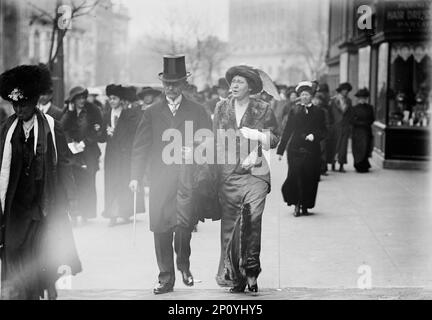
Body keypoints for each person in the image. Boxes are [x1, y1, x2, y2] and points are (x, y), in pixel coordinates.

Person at [129, 55, 212, 295]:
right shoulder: (151, 112)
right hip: (160, 179)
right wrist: (135, 176)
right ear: (162, 85)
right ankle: (166, 277)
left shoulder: (197, 110)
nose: (171, 88)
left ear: (184, 84)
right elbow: (140, 146)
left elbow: (209, 140)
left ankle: (183, 263)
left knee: (184, 226)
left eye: (176, 84)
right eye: (167, 84)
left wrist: (195, 150)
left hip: (189, 179)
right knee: (161, 227)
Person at [0, 64, 81, 299]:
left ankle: (39, 290)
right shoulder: (5, 131)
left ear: (34, 102)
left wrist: (70, 198)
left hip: (42, 205)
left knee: (40, 256)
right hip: (15, 208)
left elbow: (65, 164)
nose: (19, 109)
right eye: (15, 104)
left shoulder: (53, 128)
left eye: (23, 104)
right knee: (14, 255)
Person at [213, 65, 279, 293]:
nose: (234, 85)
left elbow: (274, 139)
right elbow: (216, 140)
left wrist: (258, 138)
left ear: (250, 86)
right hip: (229, 174)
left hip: (256, 173)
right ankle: (235, 277)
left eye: (240, 82)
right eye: (232, 81)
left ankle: (251, 272)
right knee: (231, 226)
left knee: (252, 219)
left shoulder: (263, 108)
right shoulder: (221, 108)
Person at [277, 81, 326, 217]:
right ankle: (297, 205)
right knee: (295, 176)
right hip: (295, 149)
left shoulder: (319, 112)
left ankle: (306, 205)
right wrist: (281, 150)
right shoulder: (294, 110)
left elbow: (324, 130)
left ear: (311, 96)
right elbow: (287, 130)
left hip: (312, 150)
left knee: (310, 178)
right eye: (302, 95)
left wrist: (315, 136)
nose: (304, 97)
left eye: (307, 95)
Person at [61, 86, 105, 225]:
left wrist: (85, 142)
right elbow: (62, 128)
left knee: (88, 181)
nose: (82, 100)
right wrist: (70, 112)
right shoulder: (68, 111)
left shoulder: (93, 110)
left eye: (83, 98)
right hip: (73, 153)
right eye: (78, 98)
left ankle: (87, 212)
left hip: (89, 152)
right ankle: (75, 212)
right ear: (73, 100)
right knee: (74, 182)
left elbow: (98, 130)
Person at [101, 84, 144, 226]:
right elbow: (100, 136)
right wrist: (104, 133)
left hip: (125, 154)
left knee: (124, 182)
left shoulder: (128, 115)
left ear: (120, 99)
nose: (111, 101)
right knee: (111, 182)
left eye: (114, 98)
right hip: (112, 155)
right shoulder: (106, 115)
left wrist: (117, 133)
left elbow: (133, 135)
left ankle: (125, 212)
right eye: (109, 98)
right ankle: (112, 214)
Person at [330, 82, 353, 172]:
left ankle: (341, 165)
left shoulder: (349, 101)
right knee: (335, 146)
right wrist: (331, 125)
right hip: (335, 127)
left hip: (345, 127)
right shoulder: (333, 101)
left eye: (347, 91)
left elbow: (351, 114)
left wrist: (349, 125)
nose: (346, 92)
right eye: (344, 90)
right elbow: (330, 114)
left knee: (343, 147)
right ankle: (333, 163)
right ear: (340, 91)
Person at [351, 88, 375, 173]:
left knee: (366, 148)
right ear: (358, 99)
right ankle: (358, 165)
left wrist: (366, 123)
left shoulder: (370, 108)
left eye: (364, 98)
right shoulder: (354, 108)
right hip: (357, 132)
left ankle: (364, 165)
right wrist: (361, 123)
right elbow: (352, 120)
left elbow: (372, 119)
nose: (363, 100)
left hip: (367, 130)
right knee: (358, 148)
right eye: (361, 98)